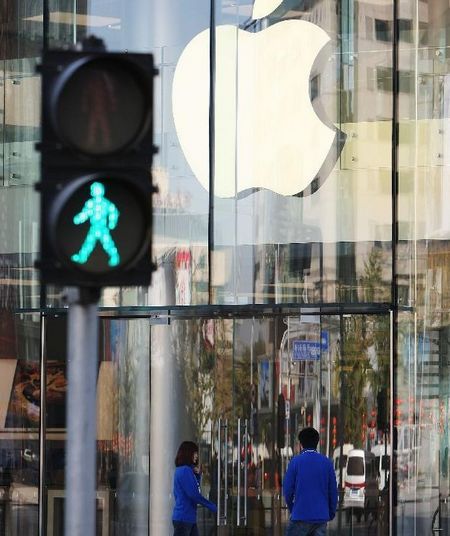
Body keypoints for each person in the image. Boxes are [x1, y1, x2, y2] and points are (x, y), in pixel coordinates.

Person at [283, 427, 337, 536]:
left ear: (301, 444)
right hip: (321, 517)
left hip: (300, 516)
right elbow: (333, 492)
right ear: (317, 443)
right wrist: (330, 513)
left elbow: (287, 490)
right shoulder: (327, 463)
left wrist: (293, 509)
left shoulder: (295, 462)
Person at [172, 441, 217, 535]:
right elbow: (194, 494)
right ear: (188, 453)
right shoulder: (185, 470)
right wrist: (211, 506)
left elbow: (193, 489)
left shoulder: (184, 470)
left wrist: (197, 475)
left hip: (187, 518)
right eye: (195, 453)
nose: (197, 456)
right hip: (184, 519)